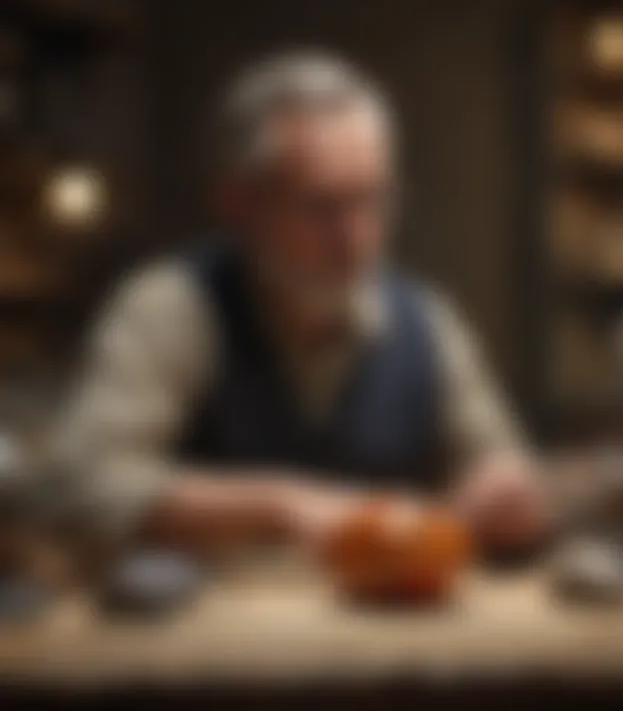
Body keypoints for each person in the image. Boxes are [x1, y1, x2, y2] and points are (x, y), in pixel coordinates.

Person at [55, 52, 547, 558]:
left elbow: (498, 462)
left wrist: (505, 492)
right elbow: (81, 486)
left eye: (374, 199)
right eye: (323, 207)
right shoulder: (173, 308)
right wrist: (279, 507)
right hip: (216, 628)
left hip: (385, 626)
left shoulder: (427, 321)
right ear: (237, 204)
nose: (356, 237)